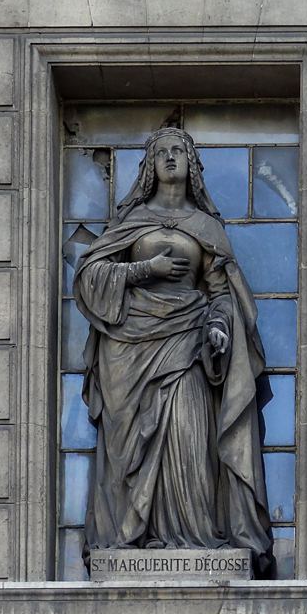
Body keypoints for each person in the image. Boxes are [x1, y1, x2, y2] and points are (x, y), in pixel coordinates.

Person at [73, 127, 274, 574]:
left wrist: (220, 328)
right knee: (132, 446)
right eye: (160, 152)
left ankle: (196, 537)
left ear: (191, 164)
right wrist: (147, 268)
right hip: (129, 348)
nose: (169, 158)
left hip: (189, 343)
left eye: (178, 151)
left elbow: (222, 292)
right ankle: (132, 538)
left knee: (188, 435)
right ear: (149, 166)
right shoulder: (132, 221)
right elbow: (91, 274)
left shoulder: (206, 228)